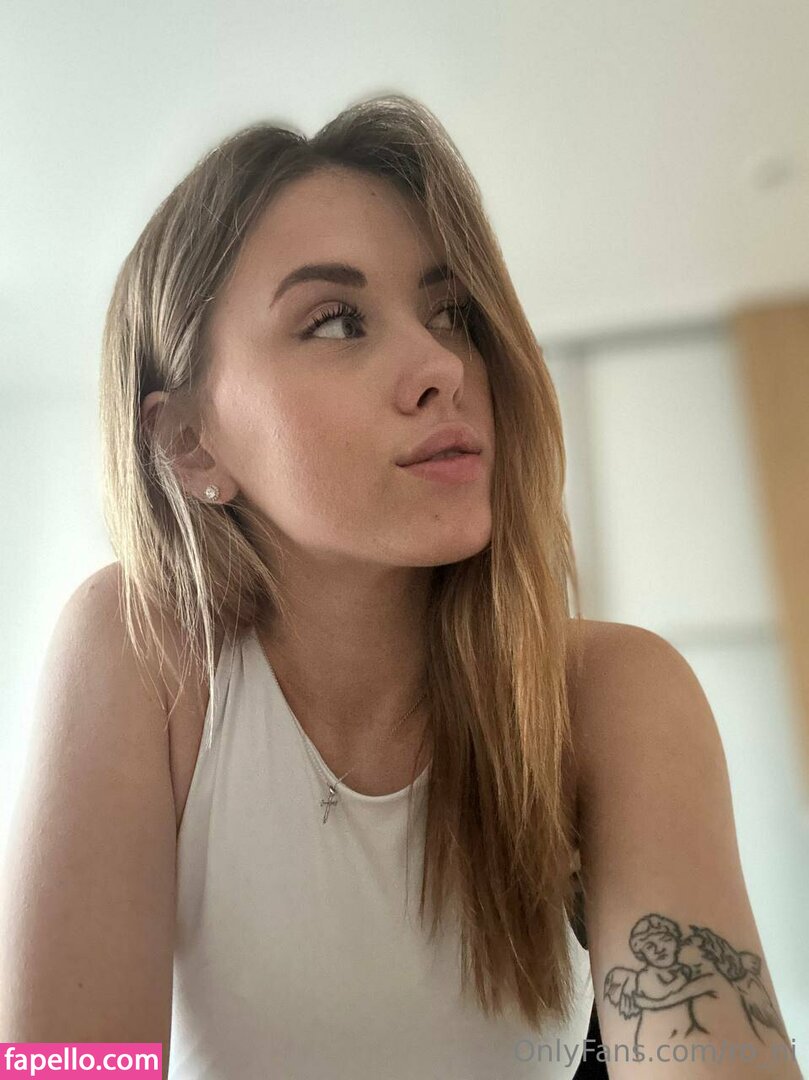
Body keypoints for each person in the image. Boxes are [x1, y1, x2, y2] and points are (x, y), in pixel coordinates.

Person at [0, 94, 800, 1080]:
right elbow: (70, 1067)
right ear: (189, 443)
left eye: (450, 314)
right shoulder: (142, 652)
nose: (440, 366)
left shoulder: (612, 696)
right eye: (335, 322)